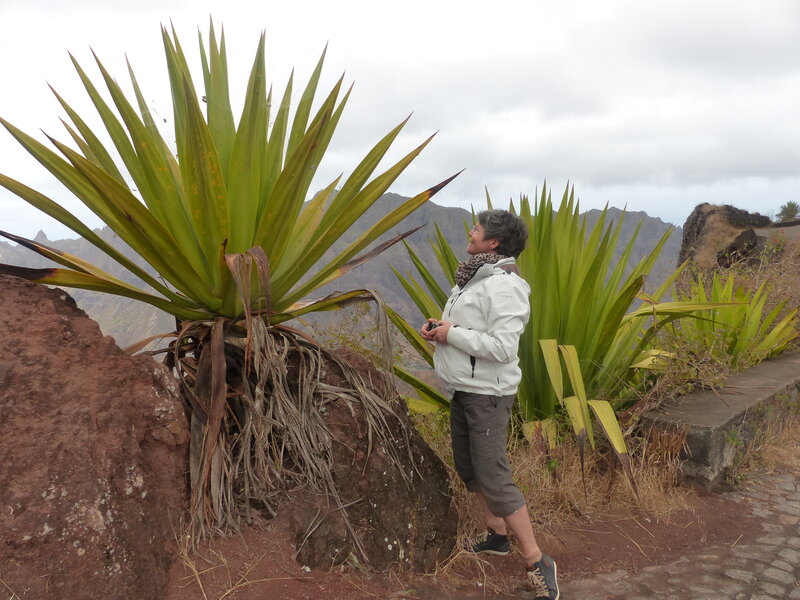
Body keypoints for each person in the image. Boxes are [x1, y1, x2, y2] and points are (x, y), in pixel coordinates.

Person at [420, 209, 559, 600]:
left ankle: (536, 560)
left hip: (488, 393)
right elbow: (471, 330)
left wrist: (452, 334)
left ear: (493, 242)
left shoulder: (505, 286)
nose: (472, 231)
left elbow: (502, 347)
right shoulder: (474, 278)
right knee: (470, 467)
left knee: (493, 475)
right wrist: (440, 330)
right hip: (466, 387)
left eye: (478, 228)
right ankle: (497, 536)